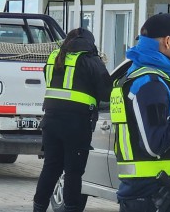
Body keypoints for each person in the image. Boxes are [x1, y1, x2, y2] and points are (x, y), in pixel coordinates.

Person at [110, 13, 170, 212]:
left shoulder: (133, 77)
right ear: (167, 41)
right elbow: (154, 144)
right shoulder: (151, 84)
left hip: (141, 194)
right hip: (152, 196)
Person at [33, 28, 112, 212]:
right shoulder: (90, 60)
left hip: (51, 123)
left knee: (50, 168)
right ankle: (71, 208)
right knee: (73, 173)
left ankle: (38, 209)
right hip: (76, 125)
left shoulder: (54, 58)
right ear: (90, 42)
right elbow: (106, 92)